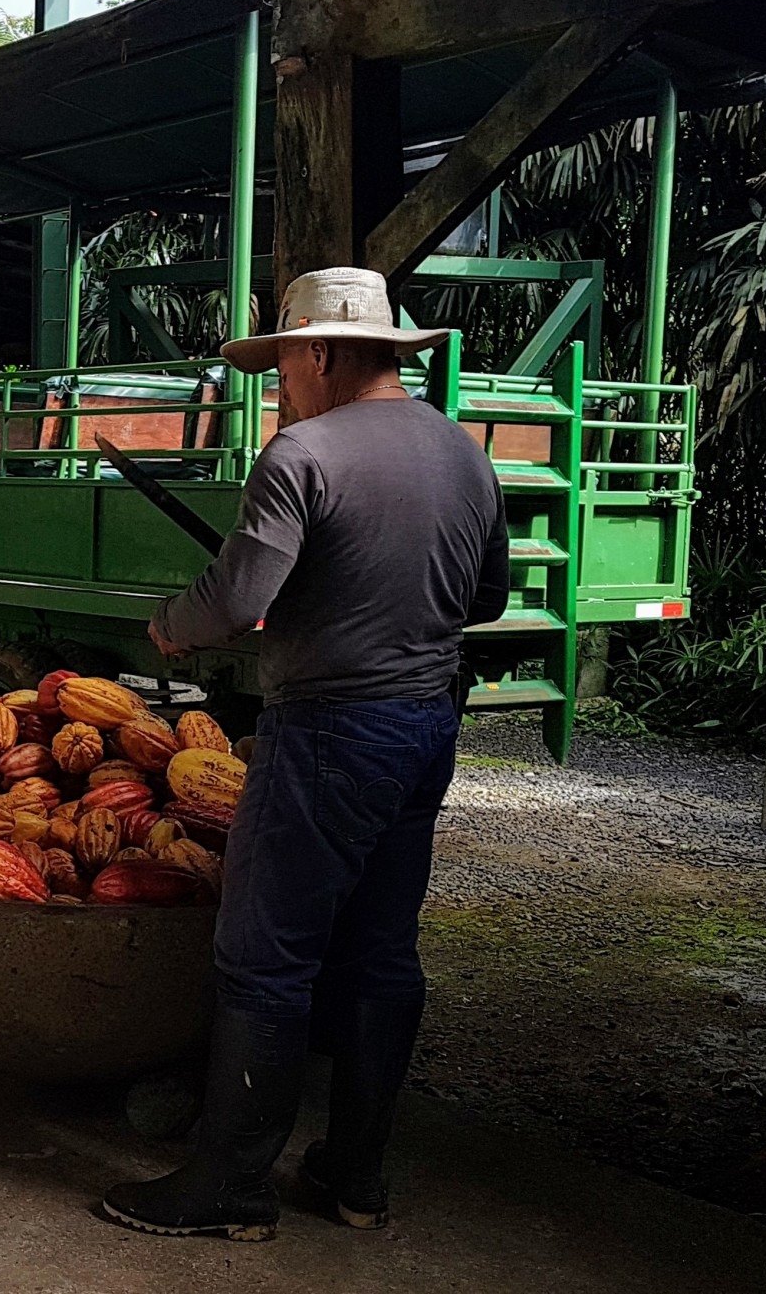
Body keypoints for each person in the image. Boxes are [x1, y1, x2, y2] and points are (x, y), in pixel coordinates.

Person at [102, 267, 509, 1240]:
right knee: (378, 952)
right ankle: (356, 1176)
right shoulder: (466, 456)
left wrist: (174, 624)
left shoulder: (302, 453)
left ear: (321, 352)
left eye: (283, 363)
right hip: (425, 729)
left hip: (327, 730)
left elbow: (241, 595)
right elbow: (485, 599)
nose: (280, 384)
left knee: (264, 959)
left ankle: (231, 1190)